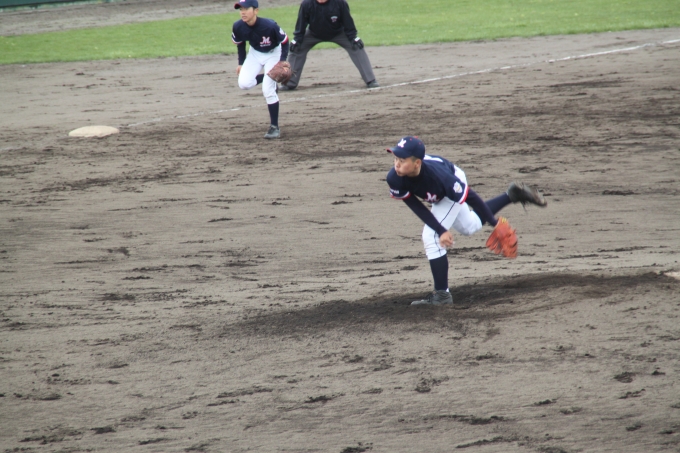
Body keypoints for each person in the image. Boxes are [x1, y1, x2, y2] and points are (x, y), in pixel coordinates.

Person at [386, 136, 548, 306]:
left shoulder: (441, 178)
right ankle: (512, 195)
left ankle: (442, 295)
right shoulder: (394, 178)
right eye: (396, 158)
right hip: (439, 192)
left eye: (402, 160)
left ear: (417, 163)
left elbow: (471, 197)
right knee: (469, 226)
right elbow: (417, 206)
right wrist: (442, 229)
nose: (397, 164)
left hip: (453, 182)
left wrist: (494, 223)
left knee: (431, 236)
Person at [279, 0, 378, 91]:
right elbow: (301, 23)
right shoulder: (307, 4)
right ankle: (289, 83)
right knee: (296, 48)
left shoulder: (340, 3)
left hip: (338, 33)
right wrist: (297, 39)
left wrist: (353, 37)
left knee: (356, 46)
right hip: (313, 34)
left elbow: (348, 22)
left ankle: (370, 80)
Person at [232, 0, 290, 139]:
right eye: (241, 9)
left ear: (256, 11)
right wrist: (241, 63)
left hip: (274, 53)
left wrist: (282, 61)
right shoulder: (238, 26)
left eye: (246, 9)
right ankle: (269, 77)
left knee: (267, 90)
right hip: (255, 53)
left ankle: (274, 127)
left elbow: (285, 41)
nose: (243, 12)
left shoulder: (269, 26)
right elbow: (240, 43)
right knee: (244, 83)